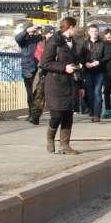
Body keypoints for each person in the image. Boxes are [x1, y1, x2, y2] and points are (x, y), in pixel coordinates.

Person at [39, 17, 81, 155]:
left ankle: (65, 145)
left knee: (68, 114)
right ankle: (50, 137)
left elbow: (76, 63)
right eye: (76, 26)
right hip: (56, 84)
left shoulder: (73, 43)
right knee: (57, 114)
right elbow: (45, 63)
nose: (77, 29)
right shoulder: (55, 41)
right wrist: (64, 67)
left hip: (71, 83)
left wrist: (81, 86)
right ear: (70, 27)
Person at [15, 24, 45, 124]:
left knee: (38, 92)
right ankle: (31, 113)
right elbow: (17, 38)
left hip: (39, 68)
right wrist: (28, 30)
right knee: (30, 93)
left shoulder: (39, 38)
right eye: (33, 29)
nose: (34, 31)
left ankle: (34, 115)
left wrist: (42, 30)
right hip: (28, 68)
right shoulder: (24, 40)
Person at [78, 24, 106, 122]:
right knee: (89, 93)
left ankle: (96, 114)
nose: (94, 33)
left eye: (96, 31)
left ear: (98, 32)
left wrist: (99, 62)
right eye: (92, 31)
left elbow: (107, 56)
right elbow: (80, 56)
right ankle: (92, 110)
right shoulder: (84, 44)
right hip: (88, 71)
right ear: (89, 32)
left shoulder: (103, 43)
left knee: (97, 92)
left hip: (99, 71)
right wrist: (85, 63)